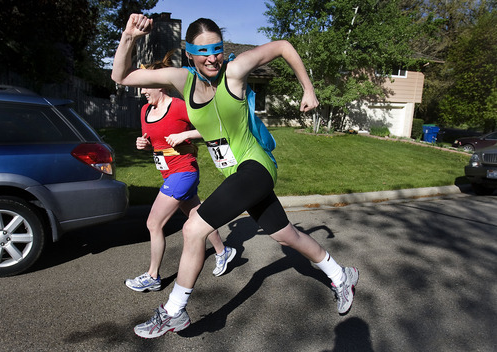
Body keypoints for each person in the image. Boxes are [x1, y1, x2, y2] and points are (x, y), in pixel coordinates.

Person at [112, 13, 359, 339]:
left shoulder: (237, 70)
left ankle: (173, 311)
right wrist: (129, 35)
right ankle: (342, 275)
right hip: (236, 173)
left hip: (255, 167)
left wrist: (308, 90)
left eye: (218, 48)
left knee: (193, 228)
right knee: (286, 236)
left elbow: (284, 46)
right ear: (189, 54)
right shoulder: (181, 80)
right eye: (204, 51)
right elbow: (122, 76)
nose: (213, 57)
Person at [124, 53, 236, 293]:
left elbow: (214, 128)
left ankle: (153, 276)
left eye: (145, 86)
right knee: (197, 217)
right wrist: (143, 145)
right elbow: (154, 142)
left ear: (160, 85)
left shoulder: (179, 106)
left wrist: (186, 135)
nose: (142, 91)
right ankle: (223, 251)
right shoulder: (145, 111)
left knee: (153, 223)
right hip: (167, 173)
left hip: (184, 172)